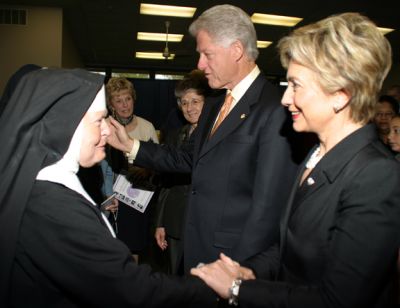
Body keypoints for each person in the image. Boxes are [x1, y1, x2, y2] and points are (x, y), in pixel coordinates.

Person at [191, 12, 400, 308]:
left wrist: (238, 289)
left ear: (340, 95)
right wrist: (248, 270)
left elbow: (339, 299)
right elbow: (289, 248)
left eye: (296, 85)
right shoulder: (316, 154)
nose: (285, 98)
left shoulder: (376, 175)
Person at [107, 4, 302, 273]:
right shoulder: (214, 103)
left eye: (207, 54)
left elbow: (269, 207)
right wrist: (130, 146)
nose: (200, 65)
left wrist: (242, 271)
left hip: (233, 261)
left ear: (236, 50)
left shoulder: (273, 109)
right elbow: (188, 158)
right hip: (196, 247)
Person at [0, 67, 215, 307]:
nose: (107, 130)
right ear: (64, 124)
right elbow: (128, 287)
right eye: (98, 119)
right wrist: (215, 288)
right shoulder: (53, 204)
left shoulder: (41, 183)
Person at [154, 69, 211, 274]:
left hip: (205, 224)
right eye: (184, 103)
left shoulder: (216, 136)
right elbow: (166, 183)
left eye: (195, 101)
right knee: (176, 280)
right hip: (176, 222)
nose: (189, 107)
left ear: (207, 103)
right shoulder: (174, 136)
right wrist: (161, 223)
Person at [103, 77, 159, 263]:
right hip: (110, 197)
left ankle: (132, 287)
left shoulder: (147, 127)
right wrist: (107, 194)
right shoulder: (104, 127)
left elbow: (158, 164)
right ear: (111, 104)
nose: (124, 105)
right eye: (118, 100)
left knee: (133, 249)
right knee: (110, 249)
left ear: (134, 99)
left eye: (127, 99)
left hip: (137, 197)